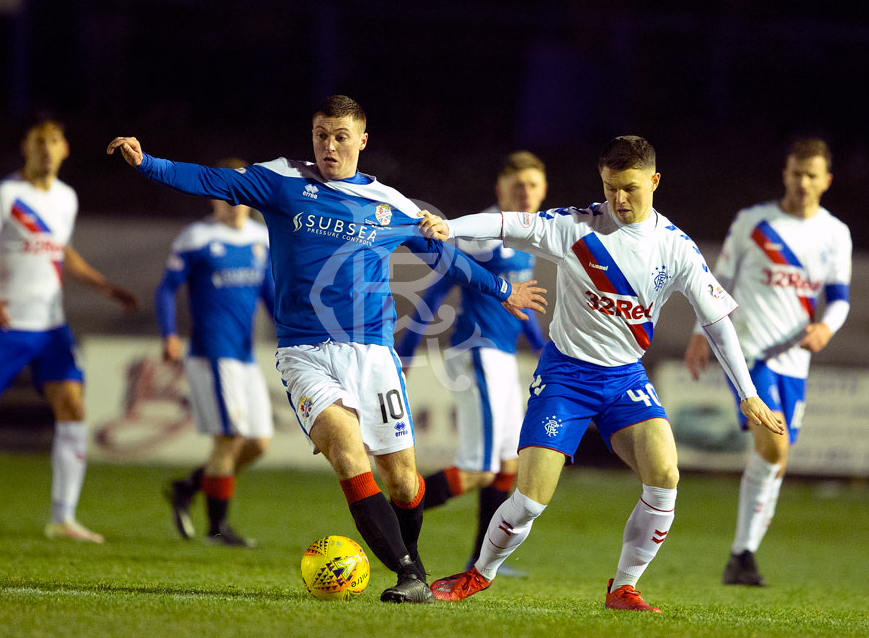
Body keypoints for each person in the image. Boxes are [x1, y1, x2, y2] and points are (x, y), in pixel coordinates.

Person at [106, 95, 547, 603]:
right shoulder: (282, 180)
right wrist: (148, 163)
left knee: (403, 481)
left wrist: (504, 289)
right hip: (305, 353)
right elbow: (211, 180)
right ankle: (409, 574)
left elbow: (449, 260)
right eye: (320, 134)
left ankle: (412, 565)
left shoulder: (391, 205)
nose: (329, 145)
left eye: (340, 136)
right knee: (346, 451)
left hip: (374, 355)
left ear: (362, 140)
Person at [418, 135, 784, 612]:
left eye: (630, 188)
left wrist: (747, 394)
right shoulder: (574, 227)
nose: (619, 199)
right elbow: (506, 223)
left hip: (625, 380)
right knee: (529, 501)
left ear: (655, 181)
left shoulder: (676, 247)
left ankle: (624, 587)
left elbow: (717, 322)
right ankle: (479, 573)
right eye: (611, 188)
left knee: (665, 475)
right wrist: (450, 226)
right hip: (566, 377)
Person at [0, 120, 139, 543]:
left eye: (53, 142)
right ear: (25, 148)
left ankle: (62, 518)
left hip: (51, 326)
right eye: (39, 143)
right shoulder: (5, 196)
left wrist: (103, 284)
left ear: (65, 149)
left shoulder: (67, 199)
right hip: (3, 326)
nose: (46, 151)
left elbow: (59, 249)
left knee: (72, 407)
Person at [683, 138, 851, 586]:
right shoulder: (755, 223)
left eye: (812, 174)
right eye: (796, 172)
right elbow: (718, 280)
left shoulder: (835, 234)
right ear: (785, 173)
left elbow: (839, 298)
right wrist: (702, 333)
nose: (802, 182)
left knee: (776, 460)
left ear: (826, 181)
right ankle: (743, 554)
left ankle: (742, 555)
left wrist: (827, 328)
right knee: (774, 446)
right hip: (751, 354)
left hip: (796, 362)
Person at [396, 151, 548, 577]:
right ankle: (392, 517)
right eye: (518, 186)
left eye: (533, 186)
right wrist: (405, 356)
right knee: (479, 470)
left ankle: (481, 560)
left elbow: (522, 307)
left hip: (500, 355)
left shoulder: (527, 235)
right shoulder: (482, 234)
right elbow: (434, 294)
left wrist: (543, 350)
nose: (526, 194)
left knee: (506, 465)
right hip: (477, 353)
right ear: (500, 190)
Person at [155, 158, 276, 548]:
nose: (233, 200)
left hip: (244, 354)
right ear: (213, 197)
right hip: (210, 353)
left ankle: (189, 487)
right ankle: (217, 528)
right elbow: (165, 289)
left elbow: (269, 295)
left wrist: (292, 332)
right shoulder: (196, 237)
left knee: (258, 444)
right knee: (229, 438)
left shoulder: (261, 239)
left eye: (240, 193)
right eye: (225, 193)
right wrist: (170, 334)